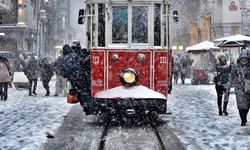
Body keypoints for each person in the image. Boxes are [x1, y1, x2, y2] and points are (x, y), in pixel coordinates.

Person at [60, 43, 94, 114]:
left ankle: (87, 106)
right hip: (80, 76)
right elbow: (81, 62)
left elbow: (62, 72)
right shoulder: (74, 55)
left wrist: (68, 75)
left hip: (72, 79)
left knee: (80, 92)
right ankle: (90, 107)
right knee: (85, 91)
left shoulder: (63, 59)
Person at [231, 50, 250, 126]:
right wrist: (228, 87)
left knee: (247, 105)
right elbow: (232, 76)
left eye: (245, 58)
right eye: (242, 58)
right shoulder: (236, 66)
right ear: (240, 58)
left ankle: (244, 117)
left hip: (248, 88)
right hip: (239, 88)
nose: (244, 59)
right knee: (240, 106)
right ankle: (242, 119)